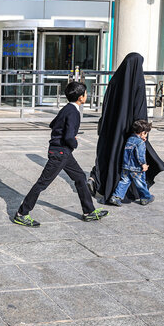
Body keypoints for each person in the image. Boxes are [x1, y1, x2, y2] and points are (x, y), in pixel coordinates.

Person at [14, 82, 109, 227]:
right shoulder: (74, 112)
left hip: (62, 152)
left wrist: (63, 132)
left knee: (80, 177)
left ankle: (88, 211)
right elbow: (69, 137)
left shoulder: (67, 108)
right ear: (80, 97)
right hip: (60, 152)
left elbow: (53, 124)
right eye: (85, 93)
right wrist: (74, 142)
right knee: (42, 183)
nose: (86, 96)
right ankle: (21, 213)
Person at [88, 52, 164, 202]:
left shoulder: (115, 82)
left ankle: (104, 185)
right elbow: (139, 109)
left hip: (113, 131)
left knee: (111, 157)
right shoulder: (138, 82)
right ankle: (137, 194)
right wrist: (142, 131)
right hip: (132, 131)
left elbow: (106, 107)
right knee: (132, 164)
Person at [108, 120, 155, 206]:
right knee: (140, 183)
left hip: (126, 166)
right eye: (146, 133)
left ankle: (116, 197)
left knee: (124, 182)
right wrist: (143, 164)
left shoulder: (130, 139)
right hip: (136, 168)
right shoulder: (140, 142)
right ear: (142, 133)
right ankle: (146, 197)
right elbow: (140, 155)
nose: (146, 135)